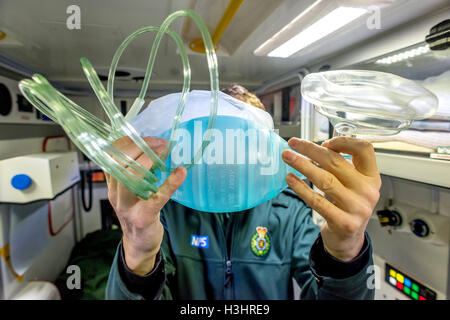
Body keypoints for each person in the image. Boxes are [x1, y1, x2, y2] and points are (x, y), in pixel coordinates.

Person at [105, 84, 381, 300]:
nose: (232, 162)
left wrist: (345, 255)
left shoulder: (289, 213)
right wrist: (138, 253)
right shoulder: (168, 213)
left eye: (247, 143)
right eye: (222, 144)